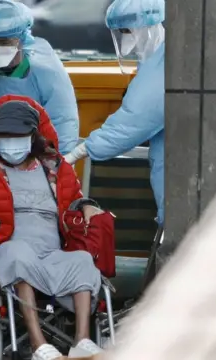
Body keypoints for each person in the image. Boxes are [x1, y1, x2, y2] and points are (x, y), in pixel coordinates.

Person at [0, 95, 104, 360]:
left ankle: (82, 340)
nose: (10, 142)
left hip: (51, 253)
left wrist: (87, 205)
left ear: (33, 136)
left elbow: (75, 200)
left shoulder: (55, 167)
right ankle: (38, 344)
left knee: (82, 261)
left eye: (17, 135)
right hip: (5, 250)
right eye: (4, 136)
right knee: (17, 253)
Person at [64, 0, 165, 226]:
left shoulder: (162, 66)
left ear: (149, 26)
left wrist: (80, 151)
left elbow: (132, 121)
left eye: (128, 31)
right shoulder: (154, 62)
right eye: (120, 32)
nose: (125, 39)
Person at [0, 0, 79, 155]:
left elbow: (63, 124)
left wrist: (54, 167)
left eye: (4, 42)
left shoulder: (44, 72)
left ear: (21, 40)